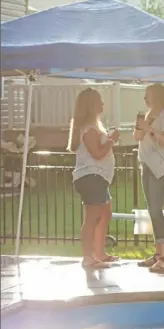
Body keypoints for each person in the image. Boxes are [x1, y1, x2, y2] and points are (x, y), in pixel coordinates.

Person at [68, 88, 119, 270]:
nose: (103, 104)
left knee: (105, 214)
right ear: (91, 105)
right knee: (93, 217)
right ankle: (88, 257)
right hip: (91, 176)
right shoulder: (89, 129)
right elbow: (97, 154)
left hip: (98, 177)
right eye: (100, 101)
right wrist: (112, 140)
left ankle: (100, 253)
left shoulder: (95, 126)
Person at [133, 84, 164, 274]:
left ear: (157, 96)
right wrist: (142, 127)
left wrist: (150, 129)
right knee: (151, 209)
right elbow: (136, 136)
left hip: (161, 166)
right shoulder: (148, 115)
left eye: (148, 96)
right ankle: (158, 254)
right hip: (147, 165)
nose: (145, 99)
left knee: (156, 208)